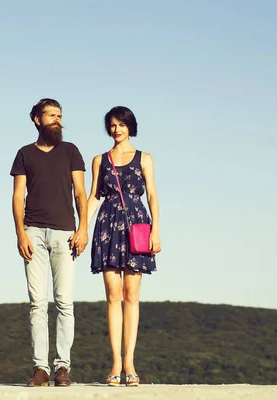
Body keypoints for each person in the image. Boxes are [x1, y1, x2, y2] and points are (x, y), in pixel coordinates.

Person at [10, 98, 88, 387]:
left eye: (60, 115)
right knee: (37, 304)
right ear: (37, 119)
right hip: (33, 232)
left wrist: (83, 229)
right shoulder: (24, 154)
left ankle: (62, 368)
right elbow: (18, 196)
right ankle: (40, 369)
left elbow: (80, 192)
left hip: (65, 234)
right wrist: (20, 234)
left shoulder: (71, 151)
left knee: (65, 302)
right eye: (51, 115)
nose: (57, 119)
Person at [86, 106, 161, 387]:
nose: (116, 129)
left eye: (121, 124)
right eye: (112, 125)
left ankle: (130, 361)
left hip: (137, 226)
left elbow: (152, 194)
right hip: (107, 224)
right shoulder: (99, 160)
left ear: (131, 126)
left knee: (132, 294)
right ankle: (116, 362)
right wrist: (82, 227)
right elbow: (95, 197)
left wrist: (157, 229)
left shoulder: (145, 158)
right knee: (112, 294)